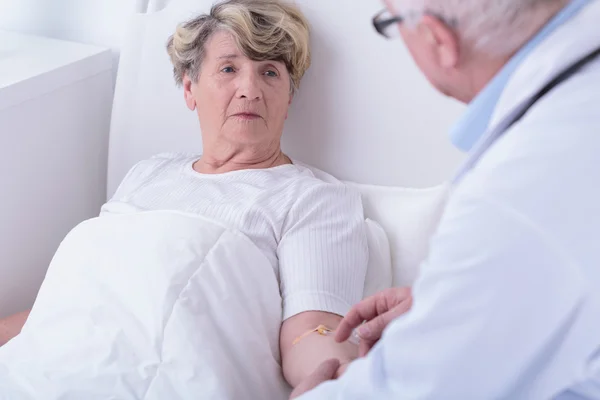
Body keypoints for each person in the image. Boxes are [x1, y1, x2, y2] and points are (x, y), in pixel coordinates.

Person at [0, 0, 370, 392]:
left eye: (270, 72)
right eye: (229, 68)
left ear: (288, 98)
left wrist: (331, 379)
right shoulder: (148, 173)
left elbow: (313, 329)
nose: (251, 89)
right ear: (190, 88)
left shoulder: (311, 198)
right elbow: (77, 304)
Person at [293, 0, 600, 398]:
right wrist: (453, 303)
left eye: (392, 22)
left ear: (440, 40)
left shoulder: (513, 195)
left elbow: (416, 390)